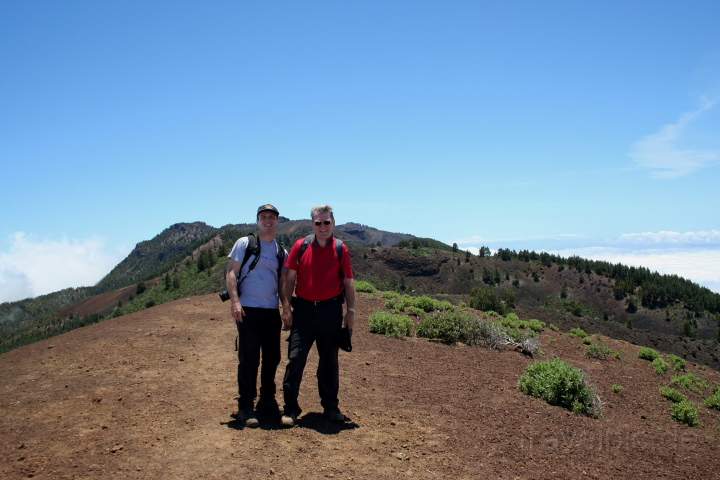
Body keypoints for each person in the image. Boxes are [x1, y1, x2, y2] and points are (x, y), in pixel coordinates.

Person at [279, 204, 356, 427]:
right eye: (318, 223)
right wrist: (286, 307)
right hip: (303, 310)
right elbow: (289, 278)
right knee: (295, 359)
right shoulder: (300, 246)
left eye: (326, 222)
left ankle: (331, 407)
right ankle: (290, 409)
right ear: (312, 224)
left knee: (329, 362)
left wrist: (350, 312)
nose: (322, 227)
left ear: (333, 222)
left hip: (330, 311)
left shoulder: (341, 249)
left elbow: (349, 283)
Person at [226, 204, 287, 427]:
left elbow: (281, 283)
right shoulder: (245, 243)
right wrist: (235, 301)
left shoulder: (281, 251)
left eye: (272, 217)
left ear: (277, 221)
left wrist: (286, 306)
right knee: (249, 358)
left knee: (272, 358)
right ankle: (245, 405)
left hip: (271, 312)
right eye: (264, 217)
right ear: (258, 220)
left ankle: (267, 400)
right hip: (248, 310)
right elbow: (231, 272)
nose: (268, 221)